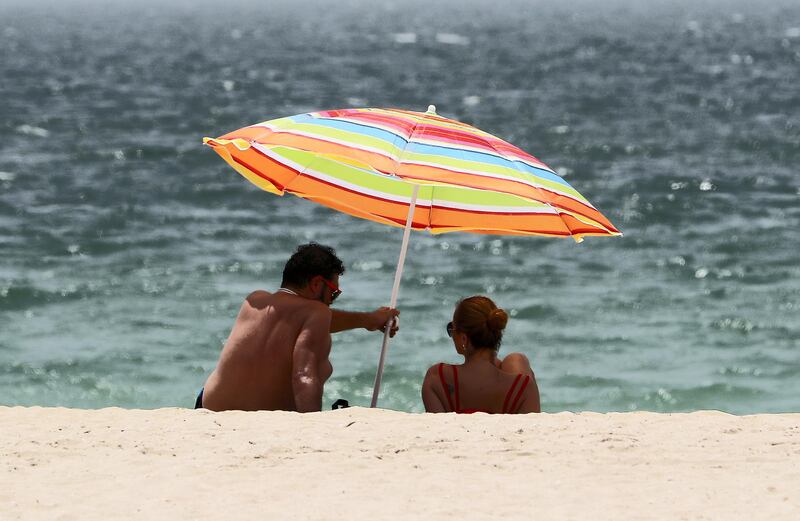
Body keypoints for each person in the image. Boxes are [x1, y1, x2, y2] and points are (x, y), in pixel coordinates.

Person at [197, 243, 399, 412]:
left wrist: (368, 320)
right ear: (316, 284)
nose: (331, 302)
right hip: (259, 424)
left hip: (208, 408)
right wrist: (310, 431)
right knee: (322, 366)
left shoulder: (255, 300)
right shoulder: (317, 313)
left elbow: (299, 318)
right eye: (333, 293)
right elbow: (304, 376)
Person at [421, 296, 540, 414]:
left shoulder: (437, 378)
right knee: (516, 359)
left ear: (463, 339)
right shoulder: (524, 387)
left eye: (451, 329)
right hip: (507, 401)